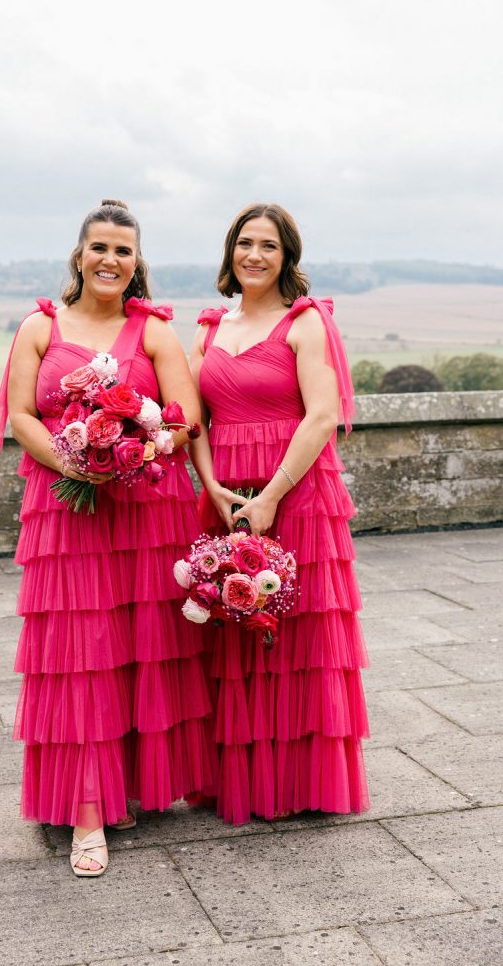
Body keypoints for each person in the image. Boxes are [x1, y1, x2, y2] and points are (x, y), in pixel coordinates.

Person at [0, 200, 215, 876]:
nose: (110, 260)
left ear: (136, 261)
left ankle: (132, 786)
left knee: (138, 649)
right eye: (99, 248)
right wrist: (75, 460)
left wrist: (137, 447)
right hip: (68, 515)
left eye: (123, 250)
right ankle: (86, 813)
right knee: (79, 654)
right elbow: (21, 413)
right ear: (78, 255)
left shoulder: (151, 332)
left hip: (144, 512)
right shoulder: (40, 325)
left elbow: (187, 418)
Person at [189, 202, 369, 824]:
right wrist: (211, 486)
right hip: (227, 492)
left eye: (269, 245)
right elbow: (193, 420)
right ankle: (238, 777)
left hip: (293, 490)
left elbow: (321, 415)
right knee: (231, 631)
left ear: (287, 256)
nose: (255, 256)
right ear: (230, 252)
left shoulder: (305, 322)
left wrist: (271, 496)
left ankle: (298, 783)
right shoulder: (210, 326)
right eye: (245, 243)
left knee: (296, 631)